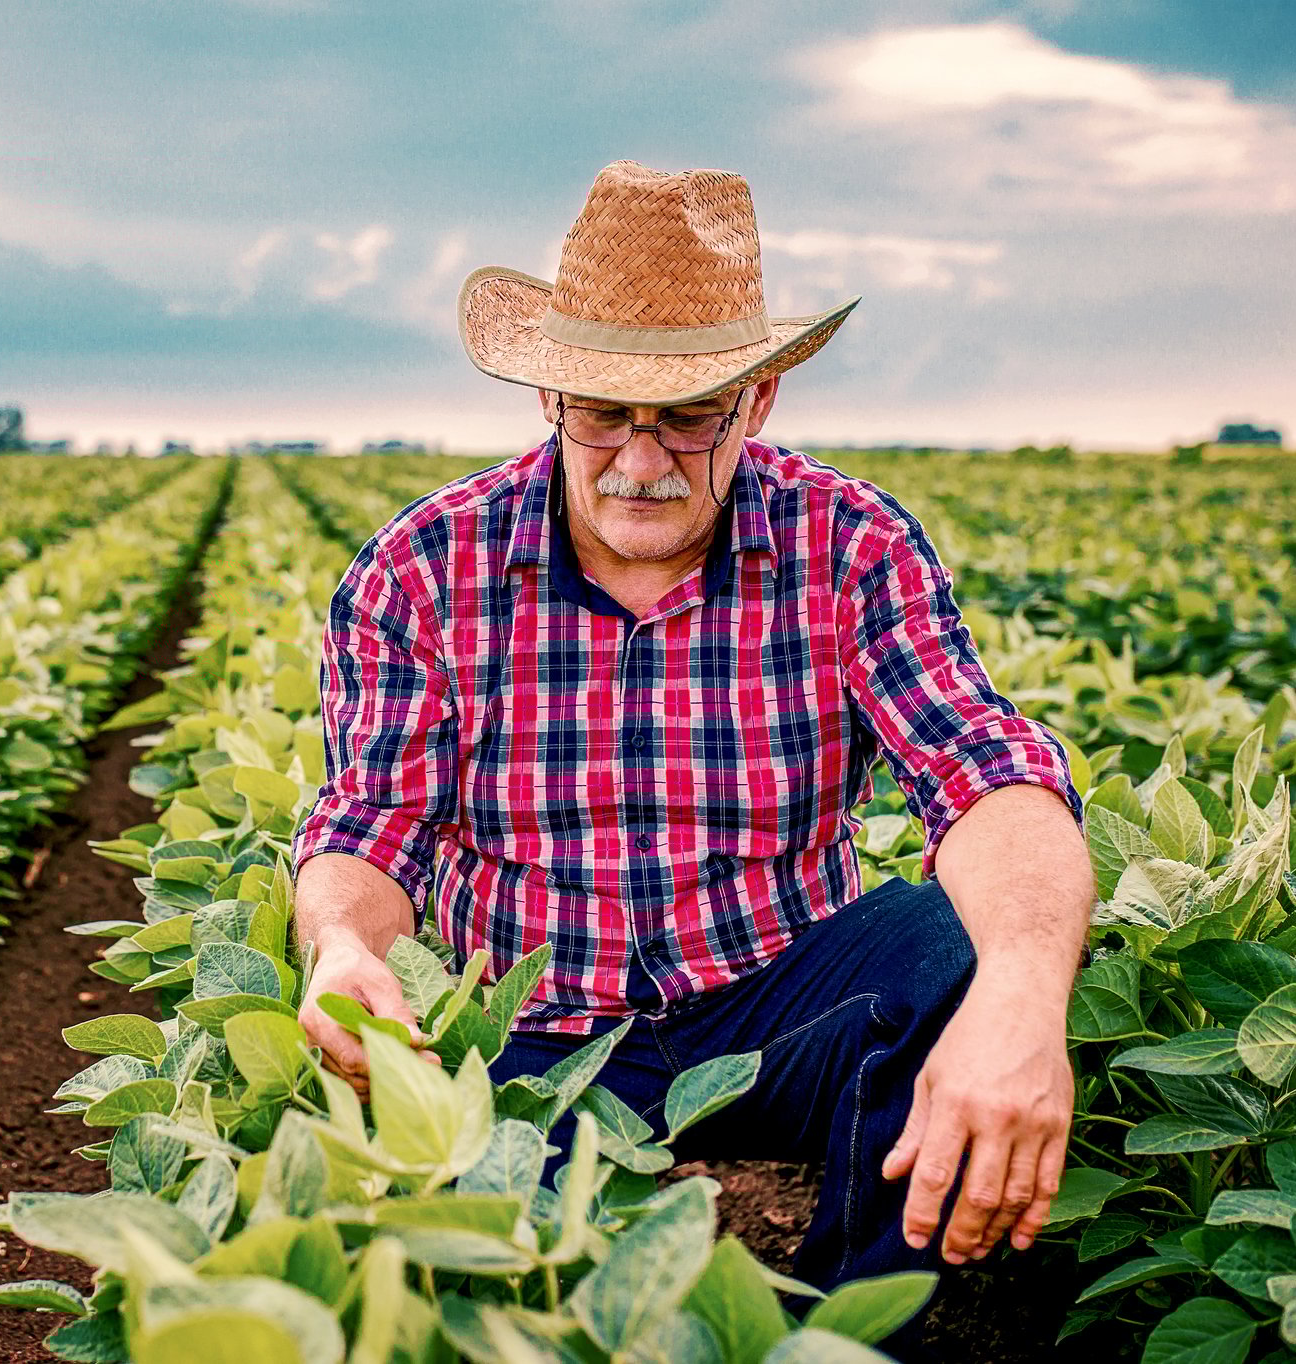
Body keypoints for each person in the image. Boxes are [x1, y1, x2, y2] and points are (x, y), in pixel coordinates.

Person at [289, 163, 1094, 1309]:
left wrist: (1021, 996)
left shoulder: (849, 542)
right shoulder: (427, 567)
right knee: (521, 1264)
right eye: (607, 414)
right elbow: (372, 825)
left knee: (943, 945)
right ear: (549, 400)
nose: (642, 460)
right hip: (532, 1025)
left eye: (688, 418)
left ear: (757, 404)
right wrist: (343, 949)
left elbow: (986, 773)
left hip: (772, 999)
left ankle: (858, 1325)